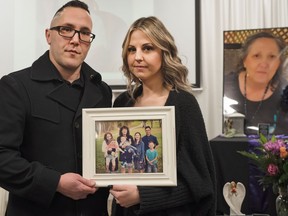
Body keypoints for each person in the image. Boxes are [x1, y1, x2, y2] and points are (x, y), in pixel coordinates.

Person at [0, 1, 112, 216]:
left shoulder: (102, 90)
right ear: (48, 35)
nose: (75, 40)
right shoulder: (15, 86)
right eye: (66, 30)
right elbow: (2, 157)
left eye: (85, 33)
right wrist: (56, 183)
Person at [110, 16, 216, 215]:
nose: (137, 57)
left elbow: (201, 184)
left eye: (147, 48)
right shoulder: (123, 102)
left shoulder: (184, 104)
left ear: (164, 52)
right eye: (132, 50)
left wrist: (143, 195)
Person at [224, 31, 288, 135]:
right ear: (244, 60)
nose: (264, 64)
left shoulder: (285, 91)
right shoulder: (224, 87)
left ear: (279, 63)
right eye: (257, 56)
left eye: (271, 57)